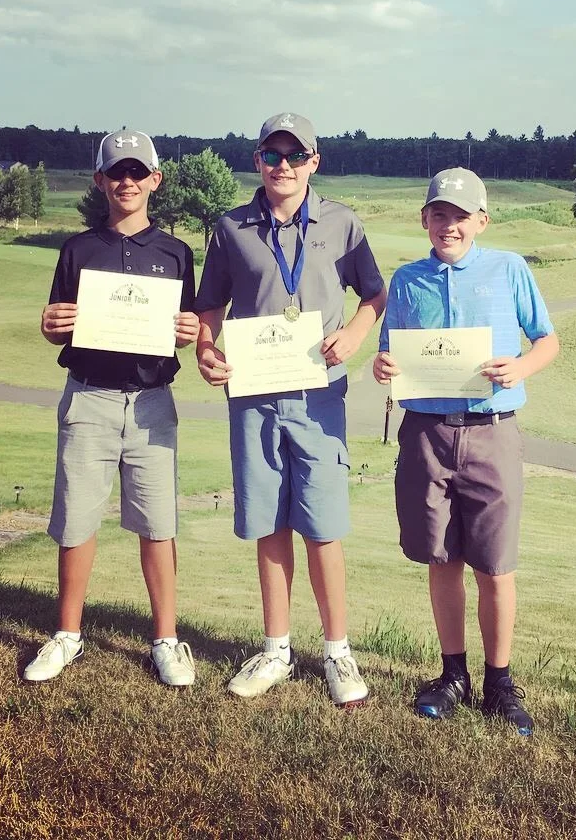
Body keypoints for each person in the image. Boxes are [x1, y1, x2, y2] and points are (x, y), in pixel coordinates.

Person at [195, 112, 386, 707]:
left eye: (294, 156)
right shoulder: (231, 228)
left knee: (323, 528)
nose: (283, 166)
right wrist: (206, 350)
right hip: (253, 395)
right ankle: (277, 649)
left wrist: (355, 334)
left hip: (321, 395)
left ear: (314, 162)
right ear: (257, 161)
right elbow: (210, 307)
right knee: (270, 526)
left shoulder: (342, 223)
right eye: (271, 155)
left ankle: (337, 652)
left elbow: (375, 294)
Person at [372, 167, 559, 735]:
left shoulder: (509, 269)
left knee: (495, 565)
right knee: (441, 558)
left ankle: (500, 681)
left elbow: (545, 338)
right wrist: (383, 367)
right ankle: (452, 674)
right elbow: (391, 355)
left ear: (481, 219)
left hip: (491, 431)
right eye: (438, 214)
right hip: (426, 433)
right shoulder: (406, 280)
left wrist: (521, 367)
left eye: (460, 215)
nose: (448, 225)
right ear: (424, 218)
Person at [25, 129, 200, 687]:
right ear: (100, 180)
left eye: (137, 172)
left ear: (155, 180)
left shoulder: (176, 253)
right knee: (76, 520)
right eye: (115, 173)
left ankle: (167, 640)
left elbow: (186, 329)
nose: (127, 182)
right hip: (89, 398)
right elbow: (59, 324)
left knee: (158, 524)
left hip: (151, 405)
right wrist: (51, 326)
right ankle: (67, 635)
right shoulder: (78, 248)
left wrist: (192, 331)